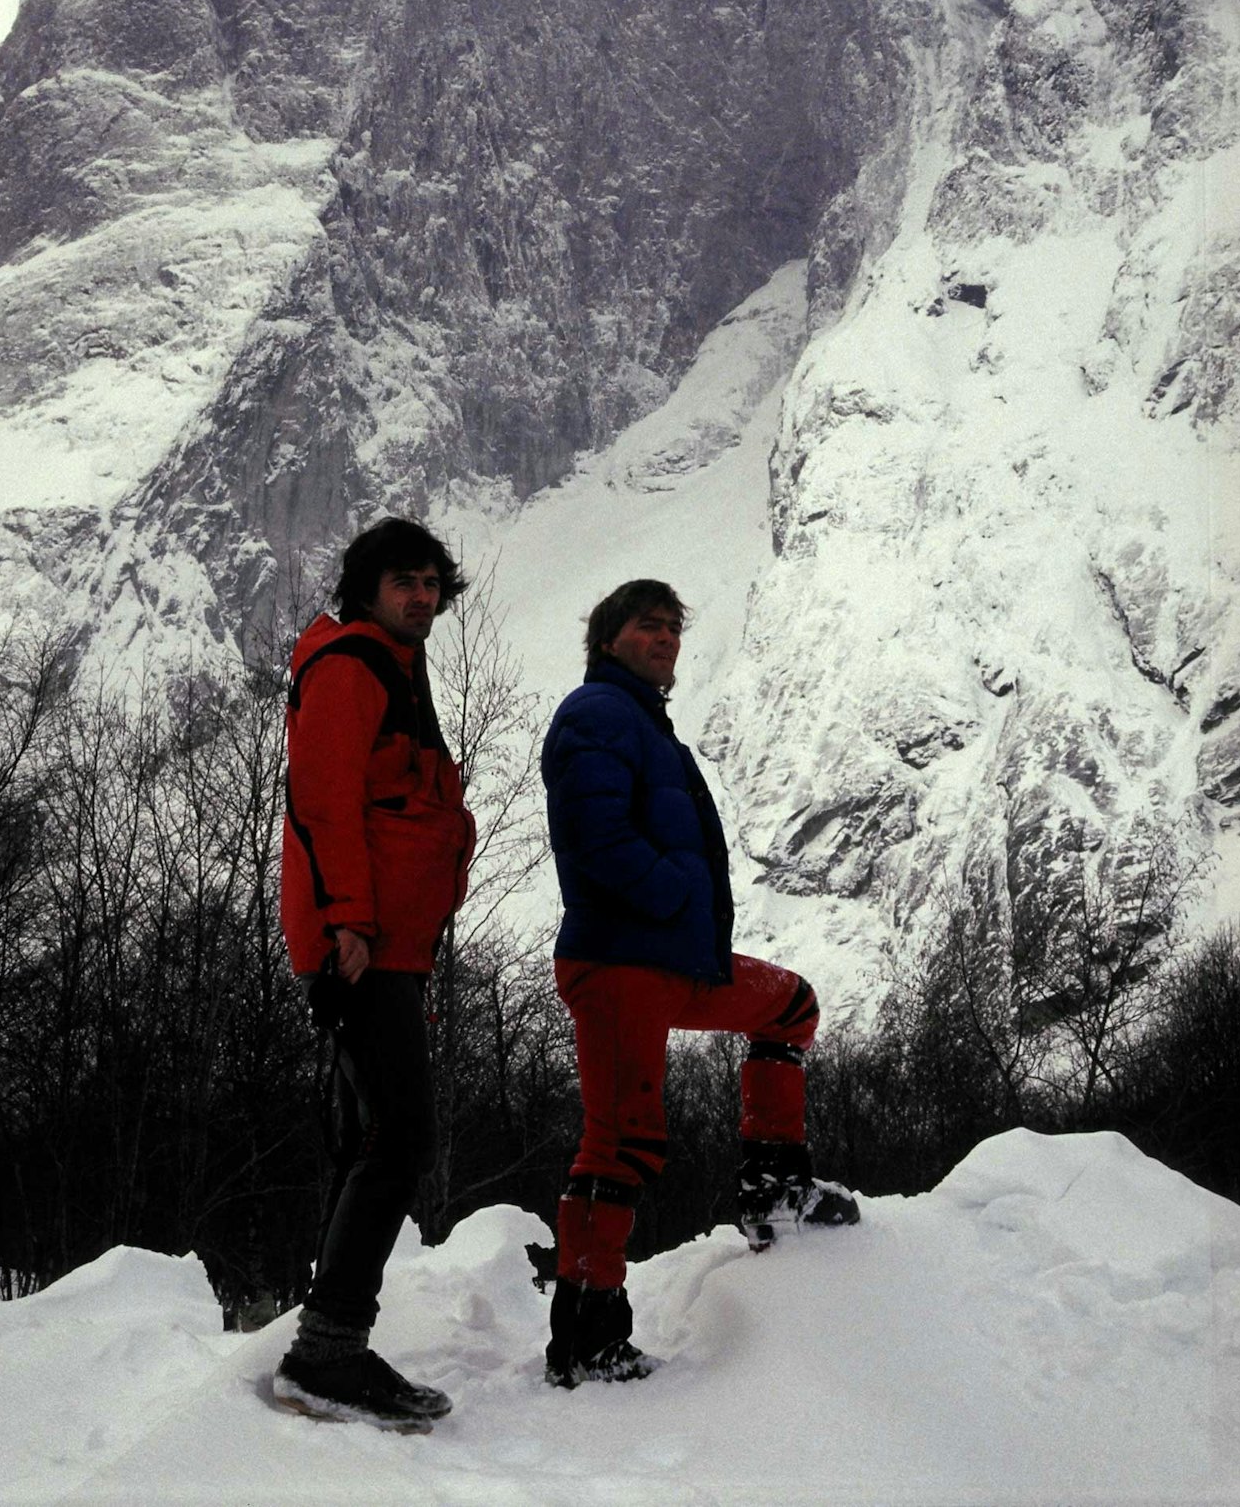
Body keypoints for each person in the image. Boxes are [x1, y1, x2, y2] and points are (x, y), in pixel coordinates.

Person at [541, 579, 859, 1389]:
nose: (666, 642)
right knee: (621, 1141)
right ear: (608, 637)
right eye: (649, 628)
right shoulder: (597, 715)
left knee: (791, 1004)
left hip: (676, 963)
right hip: (620, 963)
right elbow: (595, 836)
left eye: (674, 631)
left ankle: (773, 1188)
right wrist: (674, 895)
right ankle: (586, 1331)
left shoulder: (646, 722)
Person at [273, 517, 476, 1434]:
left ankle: (331, 1342)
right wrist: (349, 920)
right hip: (362, 943)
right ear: (366, 587)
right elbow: (321, 799)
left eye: (432, 582)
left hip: (392, 944)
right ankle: (327, 1352)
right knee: (402, 1140)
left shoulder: (396, 668)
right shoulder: (351, 667)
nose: (420, 596)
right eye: (404, 581)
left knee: (377, 1140)